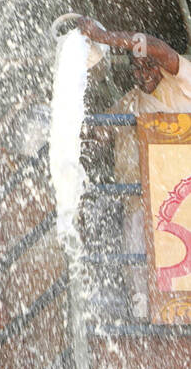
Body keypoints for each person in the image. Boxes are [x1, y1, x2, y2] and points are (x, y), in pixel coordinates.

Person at [78, 18, 191, 318]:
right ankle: (142, 325)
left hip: (180, 205)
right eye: (137, 69)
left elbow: (154, 46)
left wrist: (104, 36)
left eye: (149, 66)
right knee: (139, 281)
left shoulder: (184, 82)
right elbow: (98, 133)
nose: (143, 75)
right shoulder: (130, 101)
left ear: (162, 63)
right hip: (138, 204)